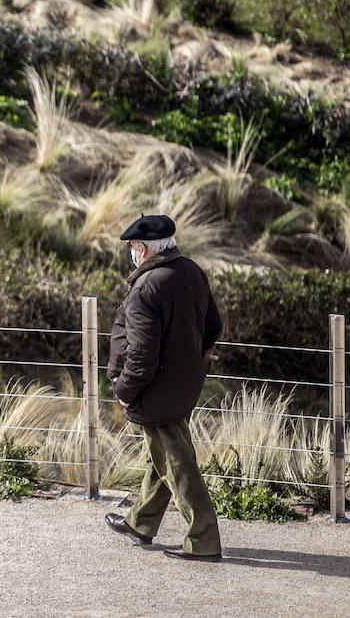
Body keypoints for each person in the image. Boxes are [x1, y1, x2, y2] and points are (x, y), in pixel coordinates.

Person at [103, 214, 224, 562]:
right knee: (163, 453)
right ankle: (140, 522)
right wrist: (187, 362)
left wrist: (125, 390)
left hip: (155, 388)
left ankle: (203, 540)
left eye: (131, 247)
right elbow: (213, 326)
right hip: (184, 383)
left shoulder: (147, 287)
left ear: (142, 248)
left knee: (177, 462)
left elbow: (140, 355)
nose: (130, 252)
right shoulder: (191, 271)